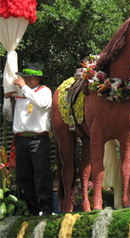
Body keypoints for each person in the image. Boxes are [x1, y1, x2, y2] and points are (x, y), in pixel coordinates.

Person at [13, 63, 54, 216]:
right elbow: (11, 115)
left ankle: (46, 208)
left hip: (38, 138)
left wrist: (24, 88)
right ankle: (32, 209)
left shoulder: (44, 91)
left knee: (41, 173)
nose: (27, 80)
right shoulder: (20, 92)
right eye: (25, 78)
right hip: (21, 139)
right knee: (24, 176)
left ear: (38, 79)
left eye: (31, 78)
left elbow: (41, 104)